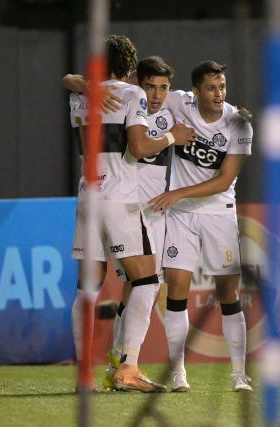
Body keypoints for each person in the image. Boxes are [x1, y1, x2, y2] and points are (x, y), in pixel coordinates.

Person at [67, 35, 194, 393]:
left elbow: (73, 82)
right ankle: (129, 368)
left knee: (87, 288)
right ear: (130, 68)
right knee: (147, 281)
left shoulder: (80, 95)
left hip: (85, 196)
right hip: (118, 197)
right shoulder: (130, 93)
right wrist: (172, 138)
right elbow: (138, 148)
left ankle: (84, 374)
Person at [149, 61, 254, 392]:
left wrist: (177, 192)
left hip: (218, 213)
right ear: (195, 91)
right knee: (176, 291)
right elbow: (146, 92)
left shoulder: (239, 124)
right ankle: (179, 373)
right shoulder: (180, 102)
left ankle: (239, 374)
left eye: (222, 86)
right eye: (211, 87)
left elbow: (224, 181)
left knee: (228, 293)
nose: (218, 94)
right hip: (181, 217)